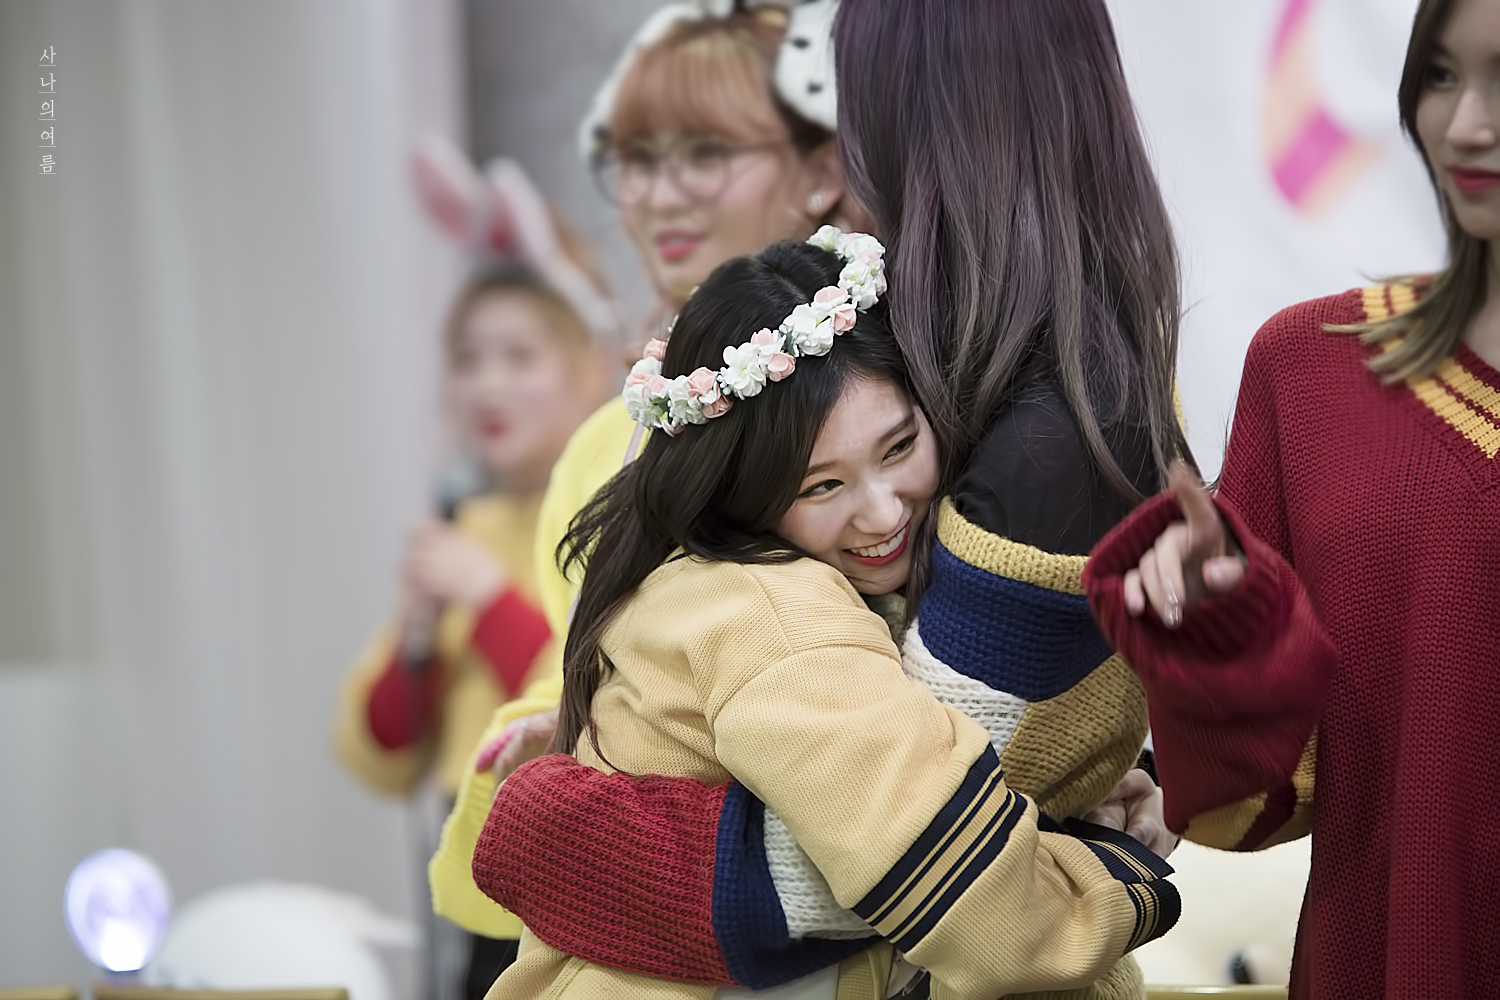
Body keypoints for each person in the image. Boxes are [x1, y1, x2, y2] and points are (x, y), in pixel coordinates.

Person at [467, 2, 1192, 997]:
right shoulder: (780, 597)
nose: (883, 509)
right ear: (749, 490)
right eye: (821, 485)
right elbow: (943, 864)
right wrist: (1111, 868)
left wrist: (562, 825)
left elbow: (924, 820)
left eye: (899, 449)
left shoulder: (1040, 433)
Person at [1080, 0, 1500, 996]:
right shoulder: (1313, 370)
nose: (1466, 123)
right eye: (1440, 75)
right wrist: (1219, 631)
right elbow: (1250, 807)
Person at [428, 0, 861, 933]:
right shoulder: (599, 447)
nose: (661, 195)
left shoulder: (873, 399)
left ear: (822, 170)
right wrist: (542, 737)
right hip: (643, 917)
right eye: (636, 159)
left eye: (706, 151)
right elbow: (568, 671)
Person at [332, 143, 613, 996]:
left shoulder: (612, 511)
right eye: (468, 359)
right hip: (471, 866)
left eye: (519, 357)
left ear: (590, 366)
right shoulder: (462, 525)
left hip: (577, 863)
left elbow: (594, 691)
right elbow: (384, 748)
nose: (487, 386)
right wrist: (418, 638)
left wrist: (490, 601)